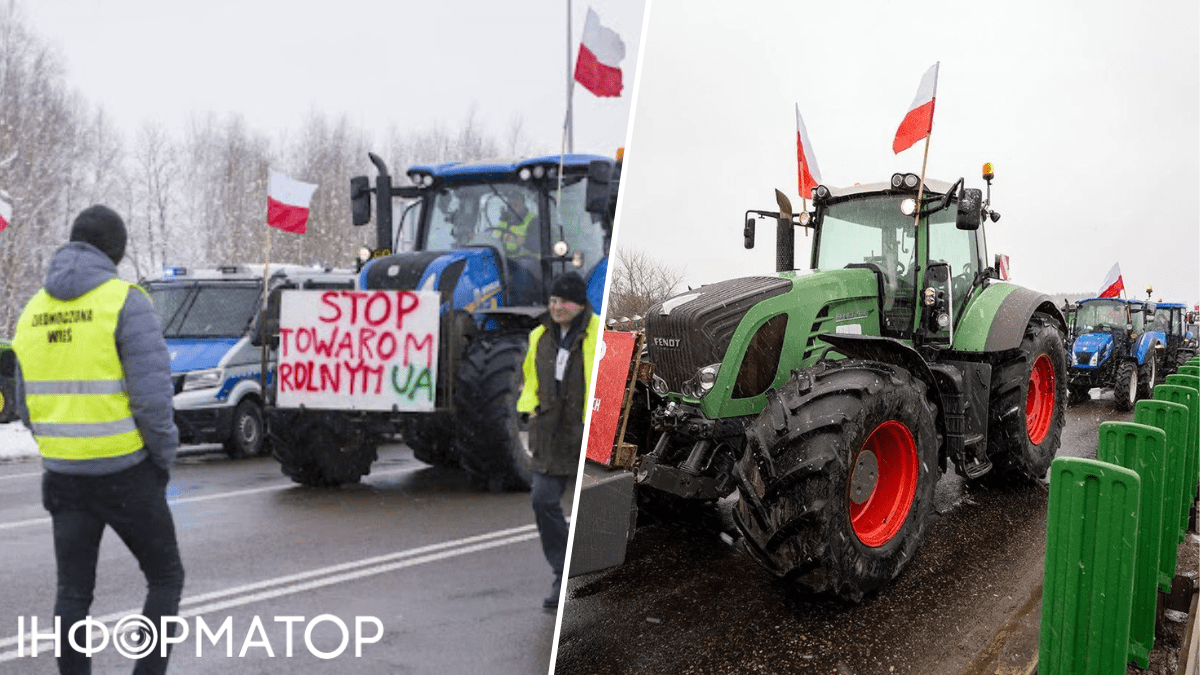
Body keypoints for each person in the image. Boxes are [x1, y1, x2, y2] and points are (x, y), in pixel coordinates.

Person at [11, 204, 184, 675]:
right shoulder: (125, 301)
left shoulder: (32, 312)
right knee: (165, 577)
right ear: (116, 252)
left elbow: (27, 407)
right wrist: (162, 458)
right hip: (126, 473)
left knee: (72, 594)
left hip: (63, 478)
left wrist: (64, 443)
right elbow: (153, 401)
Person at [516, 271, 599, 611]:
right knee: (543, 501)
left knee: (592, 507)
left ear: (579, 304)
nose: (556, 307)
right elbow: (531, 379)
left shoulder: (597, 332)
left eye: (563, 301)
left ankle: (590, 572)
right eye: (552, 301)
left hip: (584, 431)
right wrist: (526, 411)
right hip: (548, 432)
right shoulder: (539, 336)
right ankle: (562, 570)